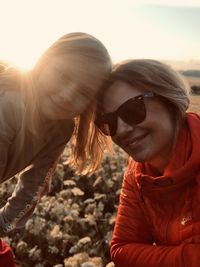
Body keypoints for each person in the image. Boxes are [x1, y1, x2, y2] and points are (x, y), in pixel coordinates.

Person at [0, 32, 112, 266]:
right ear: (43, 62)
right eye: (62, 75)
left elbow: (36, 183)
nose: (66, 95)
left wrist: (6, 223)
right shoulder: (9, 102)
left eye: (83, 92)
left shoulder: (60, 129)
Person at [94, 59, 200, 266]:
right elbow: (121, 249)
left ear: (169, 100)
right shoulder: (138, 173)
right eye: (110, 122)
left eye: (133, 109)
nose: (122, 129)